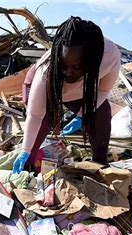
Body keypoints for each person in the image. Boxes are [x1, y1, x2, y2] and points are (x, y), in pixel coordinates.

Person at [12, 16, 121, 174]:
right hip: (49, 87)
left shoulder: (110, 57)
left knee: (101, 112)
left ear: (92, 60)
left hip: (80, 90)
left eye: (77, 66)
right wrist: (25, 150)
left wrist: (83, 114)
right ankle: (27, 166)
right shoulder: (46, 70)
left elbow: (103, 90)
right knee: (43, 121)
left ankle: (99, 162)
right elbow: (35, 115)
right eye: (63, 64)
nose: (68, 72)